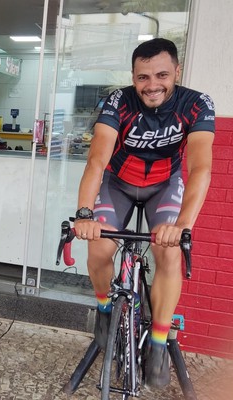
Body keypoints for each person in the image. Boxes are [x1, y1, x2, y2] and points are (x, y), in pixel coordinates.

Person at [74, 38, 214, 388]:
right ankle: (106, 307)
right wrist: (84, 213)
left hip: (164, 185)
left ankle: (158, 342)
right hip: (118, 182)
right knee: (99, 249)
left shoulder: (196, 104)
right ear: (133, 77)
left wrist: (183, 225)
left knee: (168, 254)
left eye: (162, 75)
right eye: (142, 77)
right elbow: (97, 159)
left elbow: (200, 168)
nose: (152, 85)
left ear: (177, 71)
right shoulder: (118, 101)